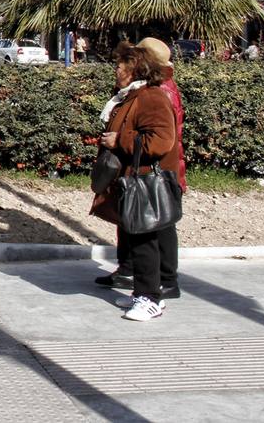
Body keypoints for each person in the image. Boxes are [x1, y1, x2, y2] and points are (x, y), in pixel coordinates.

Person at [90, 41, 180, 321]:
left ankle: (150, 298)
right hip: (130, 181)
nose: (116, 70)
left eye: (120, 65)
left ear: (134, 69)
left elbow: (162, 141)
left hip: (144, 182)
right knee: (136, 238)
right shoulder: (130, 95)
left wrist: (121, 140)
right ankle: (142, 293)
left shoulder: (151, 97)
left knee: (145, 242)